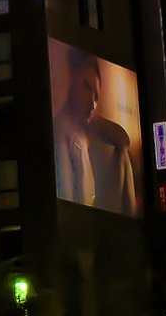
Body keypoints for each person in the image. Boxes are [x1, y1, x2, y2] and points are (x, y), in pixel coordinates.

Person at [51, 46, 139, 215]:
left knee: (122, 154)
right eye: (86, 86)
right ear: (72, 78)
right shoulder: (62, 130)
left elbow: (122, 138)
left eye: (96, 97)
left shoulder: (82, 131)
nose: (92, 103)